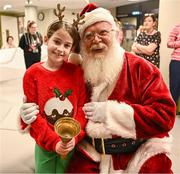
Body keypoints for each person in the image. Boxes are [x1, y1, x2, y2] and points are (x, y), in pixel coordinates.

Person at [20, 3, 176, 173]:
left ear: (116, 35)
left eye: (103, 33)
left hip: (136, 150)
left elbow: (165, 115)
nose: (96, 39)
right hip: (91, 151)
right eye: (89, 35)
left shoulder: (141, 68)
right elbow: (55, 104)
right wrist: (26, 115)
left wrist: (111, 113)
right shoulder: (78, 71)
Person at [19, 4, 87, 173]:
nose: (60, 49)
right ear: (46, 40)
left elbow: (81, 108)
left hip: (71, 142)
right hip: (44, 142)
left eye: (66, 45)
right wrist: (53, 141)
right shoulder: (32, 74)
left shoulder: (77, 73)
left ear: (71, 49)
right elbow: (34, 116)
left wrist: (75, 136)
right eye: (57, 41)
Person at [167, 23, 180, 114]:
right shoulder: (177, 27)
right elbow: (169, 43)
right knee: (174, 89)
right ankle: (169, 113)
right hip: (177, 61)